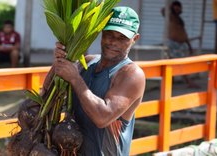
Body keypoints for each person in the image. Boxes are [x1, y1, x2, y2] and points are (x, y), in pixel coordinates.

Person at [43, 7, 145, 156]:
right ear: (101, 32)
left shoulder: (132, 74)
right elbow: (46, 93)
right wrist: (59, 61)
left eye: (122, 37)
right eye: (109, 34)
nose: (113, 42)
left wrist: (75, 78)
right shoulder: (88, 63)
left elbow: (103, 117)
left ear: (134, 39)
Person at [162, 1, 199, 88]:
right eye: (175, 7)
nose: (177, 9)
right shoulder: (170, 16)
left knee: (176, 63)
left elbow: (184, 33)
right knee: (178, 63)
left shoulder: (180, 19)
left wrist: (189, 46)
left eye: (179, 7)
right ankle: (189, 82)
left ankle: (171, 81)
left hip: (181, 45)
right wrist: (171, 7)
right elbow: (163, 11)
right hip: (173, 43)